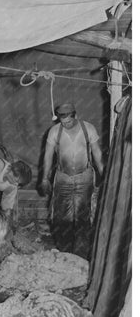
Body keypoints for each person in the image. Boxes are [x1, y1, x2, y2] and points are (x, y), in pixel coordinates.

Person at [40, 102, 104, 259]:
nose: (65, 124)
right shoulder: (55, 131)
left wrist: (103, 173)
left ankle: (81, 253)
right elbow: (48, 156)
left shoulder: (88, 128)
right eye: (62, 121)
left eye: (68, 121)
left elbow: (97, 152)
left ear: (75, 115)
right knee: (62, 216)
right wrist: (44, 178)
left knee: (83, 214)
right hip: (63, 178)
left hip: (85, 176)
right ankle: (65, 251)